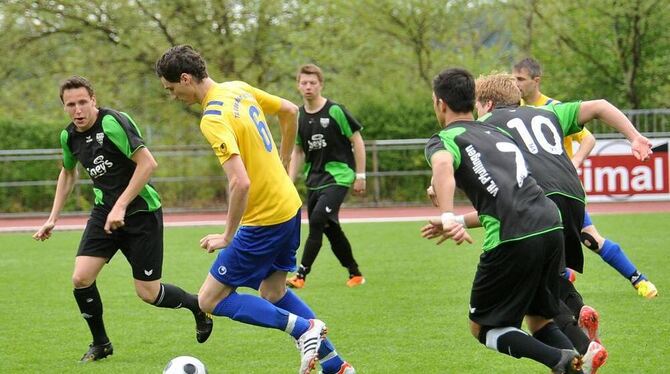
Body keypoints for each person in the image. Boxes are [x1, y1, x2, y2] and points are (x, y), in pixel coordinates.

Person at [154, 45, 355, 374]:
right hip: (289, 205)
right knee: (273, 290)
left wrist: (226, 235)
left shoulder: (213, 118)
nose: (173, 96)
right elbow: (289, 111)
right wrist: (284, 158)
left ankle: (304, 329)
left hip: (264, 219)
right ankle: (335, 365)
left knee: (209, 300)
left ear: (186, 79)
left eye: (172, 89)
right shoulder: (236, 88)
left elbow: (240, 183)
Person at [472, 72, 648, 373]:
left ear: (487, 104)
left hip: (536, 201)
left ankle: (581, 346)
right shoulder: (547, 112)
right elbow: (601, 106)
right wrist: (634, 137)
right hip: (573, 196)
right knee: (546, 285)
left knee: (537, 285)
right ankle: (580, 340)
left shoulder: (486, 126)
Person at [32, 76, 213, 362]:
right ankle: (101, 343)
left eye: (82, 102)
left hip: (142, 212)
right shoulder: (69, 136)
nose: (77, 110)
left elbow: (148, 163)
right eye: (70, 105)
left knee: (148, 293)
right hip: (105, 213)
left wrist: (121, 206)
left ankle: (197, 305)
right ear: (64, 107)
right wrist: (52, 218)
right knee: (81, 278)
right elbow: (68, 172)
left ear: (93, 100)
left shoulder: (112, 122)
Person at [421, 67, 582, 374]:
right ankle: (578, 364)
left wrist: (446, 213)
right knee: (539, 319)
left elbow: (442, 165)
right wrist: (456, 219)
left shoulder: (446, 138)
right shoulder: (495, 132)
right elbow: (507, 196)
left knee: (483, 327)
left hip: (513, 236)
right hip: (550, 225)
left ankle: (558, 360)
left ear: (440, 103)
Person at [513, 57, 658, 300]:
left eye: (520, 79)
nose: (516, 84)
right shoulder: (513, 109)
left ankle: (637, 278)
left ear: (536, 81)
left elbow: (588, 138)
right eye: (513, 78)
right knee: (549, 246)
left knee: (589, 239)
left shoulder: (554, 107)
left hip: (559, 187)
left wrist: (574, 164)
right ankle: (563, 287)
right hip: (533, 190)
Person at [286, 64, 366, 289]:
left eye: (313, 82)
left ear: (321, 85)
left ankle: (301, 274)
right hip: (314, 180)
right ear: (298, 86)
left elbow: (357, 140)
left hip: (339, 176)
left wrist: (360, 175)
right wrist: (289, 181)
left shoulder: (335, 111)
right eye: (304, 83)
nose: (308, 87)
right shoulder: (298, 116)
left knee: (318, 219)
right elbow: (298, 151)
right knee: (330, 228)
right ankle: (355, 273)